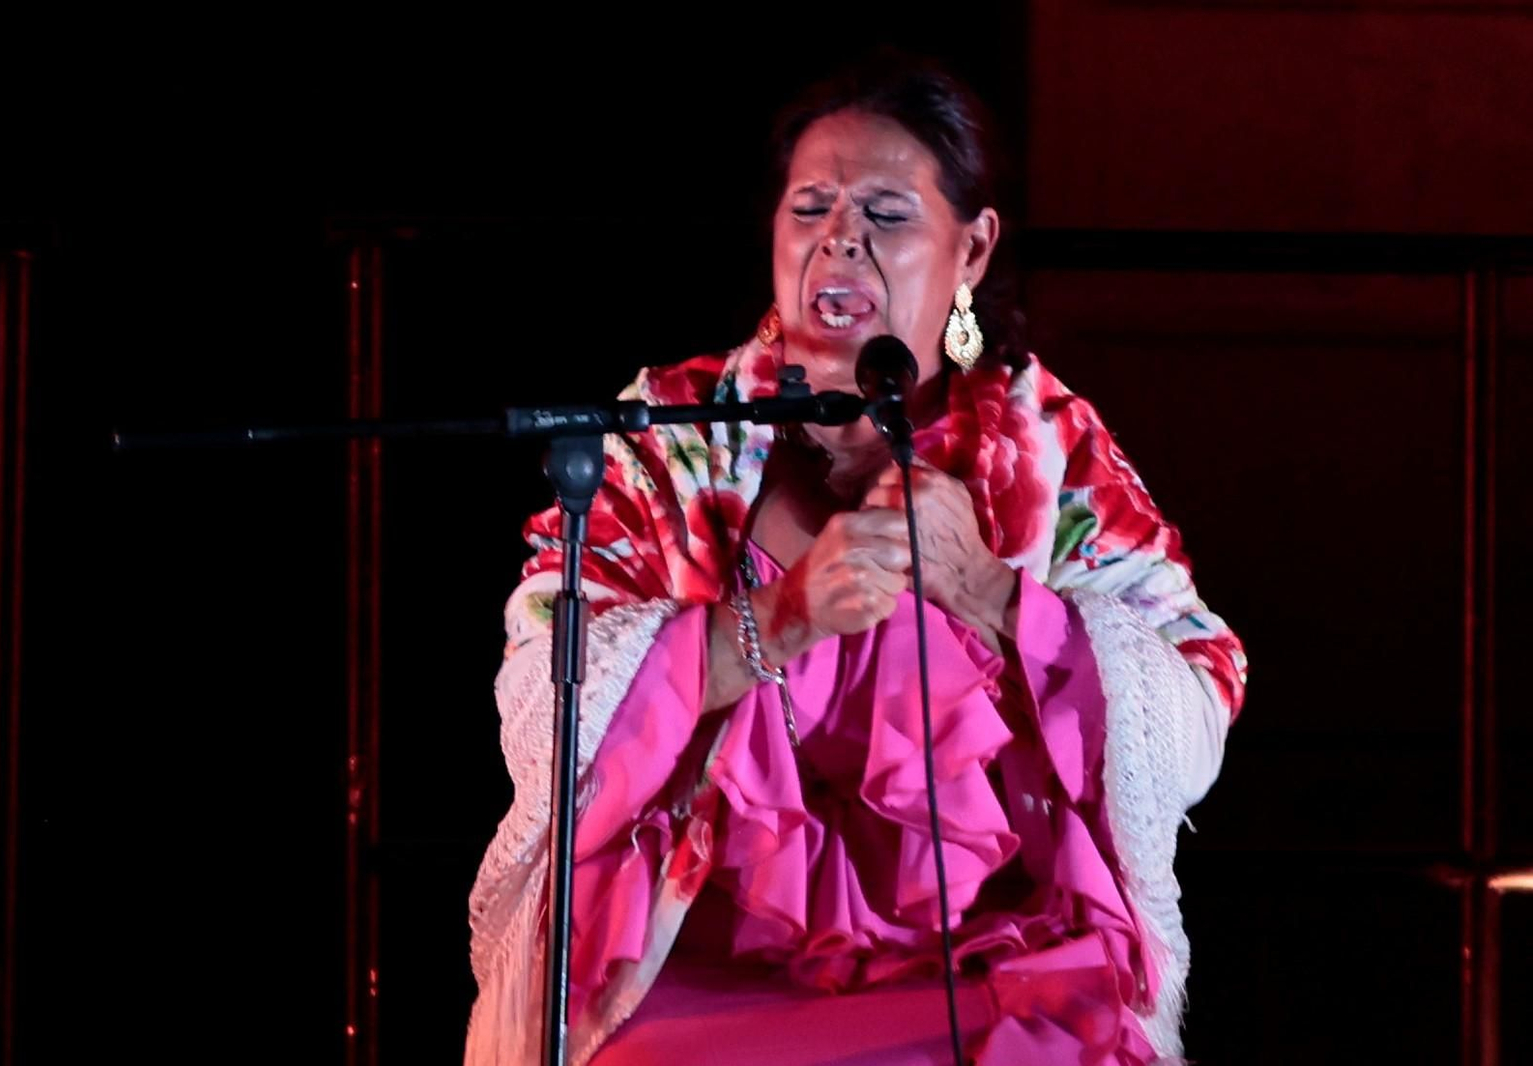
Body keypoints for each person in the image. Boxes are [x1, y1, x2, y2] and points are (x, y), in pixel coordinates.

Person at [464, 52, 1246, 1066]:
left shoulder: (1045, 443)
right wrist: (774, 623)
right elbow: (537, 702)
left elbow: (1193, 706)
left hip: (991, 960)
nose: (839, 240)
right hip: (695, 957)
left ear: (970, 250)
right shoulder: (672, 433)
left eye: (883, 214)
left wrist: (993, 592)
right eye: (811, 210)